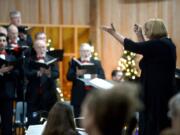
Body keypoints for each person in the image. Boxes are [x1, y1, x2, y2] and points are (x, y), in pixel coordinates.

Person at [101, 18, 176, 135]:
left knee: (153, 127)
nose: (145, 33)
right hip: (155, 93)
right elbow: (145, 50)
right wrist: (139, 34)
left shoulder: (161, 44)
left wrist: (113, 33)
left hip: (156, 96)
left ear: (154, 30)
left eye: (146, 30)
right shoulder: (164, 44)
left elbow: (134, 47)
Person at [25, 39, 59, 125]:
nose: (41, 49)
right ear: (35, 48)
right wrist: (37, 73)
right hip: (33, 97)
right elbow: (26, 73)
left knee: (50, 124)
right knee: (33, 123)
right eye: (39, 47)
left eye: (43, 47)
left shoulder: (52, 60)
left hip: (49, 97)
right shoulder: (29, 60)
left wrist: (49, 74)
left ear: (46, 48)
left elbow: (57, 74)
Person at [67, 43, 105, 117]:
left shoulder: (96, 62)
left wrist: (96, 76)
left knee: (93, 119)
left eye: (87, 51)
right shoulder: (74, 63)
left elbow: (103, 76)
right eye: (83, 51)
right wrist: (77, 74)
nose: (85, 53)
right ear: (80, 52)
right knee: (78, 119)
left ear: (90, 52)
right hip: (78, 97)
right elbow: (68, 77)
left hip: (93, 96)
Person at [0, 33, 19, 135]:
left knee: (7, 124)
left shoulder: (12, 58)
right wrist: (0, 72)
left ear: (6, 42)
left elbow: (17, 75)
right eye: (0, 40)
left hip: (8, 94)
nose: (2, 43)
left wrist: (10, 71)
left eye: (3, 40)